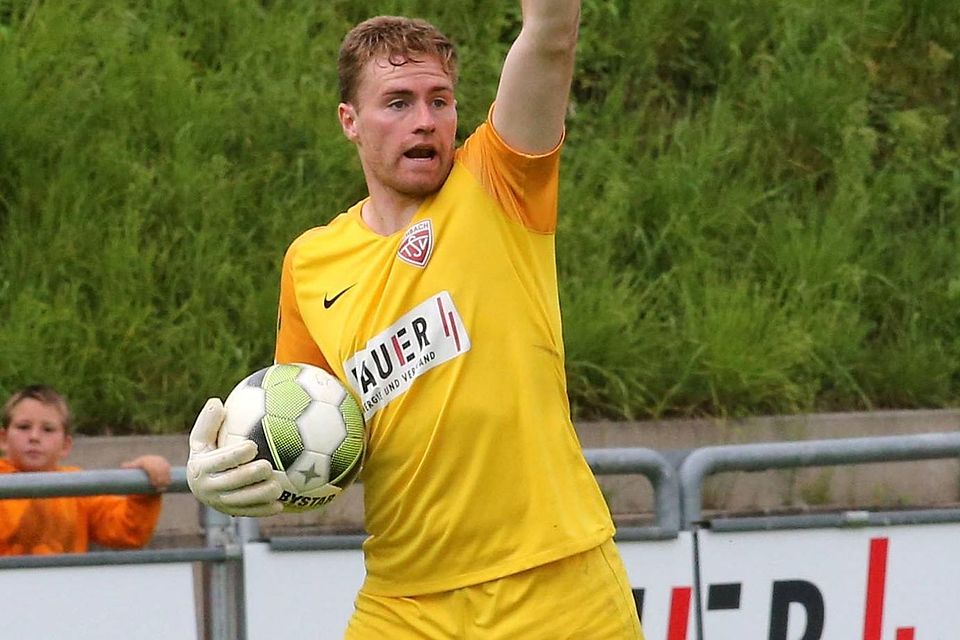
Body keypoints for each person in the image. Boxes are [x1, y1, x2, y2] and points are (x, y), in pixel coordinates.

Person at [188, 3, 645, 638]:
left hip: (553, 584)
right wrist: (235, 473)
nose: (425, 120)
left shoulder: (498, 180)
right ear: (350, 121)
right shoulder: (311, 263)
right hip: (404, 601)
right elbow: (313, 440)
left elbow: (550, 35)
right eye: (398, 102)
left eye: (440, 100)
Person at [0, 384, 172, 555]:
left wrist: (144, 490)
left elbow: (127, 532)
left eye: (48, 429)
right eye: (23, 427)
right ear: (3, 439)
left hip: (64, 573)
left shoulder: (76, 487)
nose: (34, 437)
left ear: (65, 445)